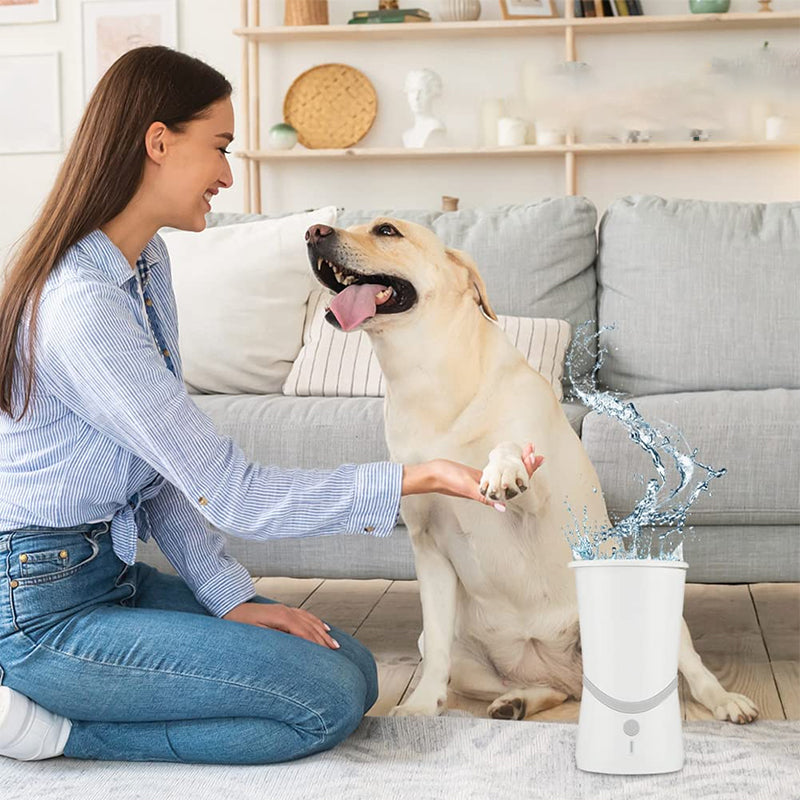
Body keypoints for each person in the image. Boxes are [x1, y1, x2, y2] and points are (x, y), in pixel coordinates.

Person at [0, 46, 543, 765]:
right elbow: (235, 495)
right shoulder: (83, 306)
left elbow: (159, 475)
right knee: (320, 702)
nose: (228, 175)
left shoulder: (144, 266)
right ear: (158, 142)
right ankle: (45, 730)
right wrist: (421, 475)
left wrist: (232, 599)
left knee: (349, 664)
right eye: (219, 147)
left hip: (106, 575)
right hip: (40, 606)